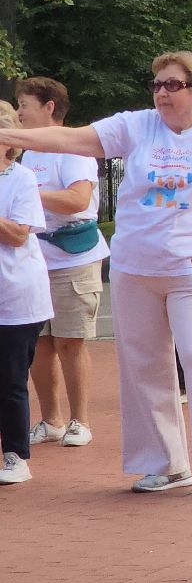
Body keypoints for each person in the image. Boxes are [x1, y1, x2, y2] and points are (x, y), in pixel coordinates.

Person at [0, 51, 192, 494]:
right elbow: (68, 139)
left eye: (173, 85)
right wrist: (7, 133)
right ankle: (168, 464)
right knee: (145, 366)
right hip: (135, 267)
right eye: (157, 84)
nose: (162, 93)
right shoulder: (136, 125)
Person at [16, 78, 108, 450]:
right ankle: (51, 419)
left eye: (24, 104)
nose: (18, 112)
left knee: (71, 341)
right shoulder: (30, 152)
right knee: (40, 342)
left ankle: (79, 420)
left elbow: (76, 199)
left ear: (49, 106)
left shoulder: (73, 148)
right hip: (36, 258)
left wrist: (30, 194)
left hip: (74, 255)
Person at [0, 102, 54, 485]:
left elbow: (19, 234)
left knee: (9, 379)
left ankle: (16, 455)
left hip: (16, 298)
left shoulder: (22, 179)